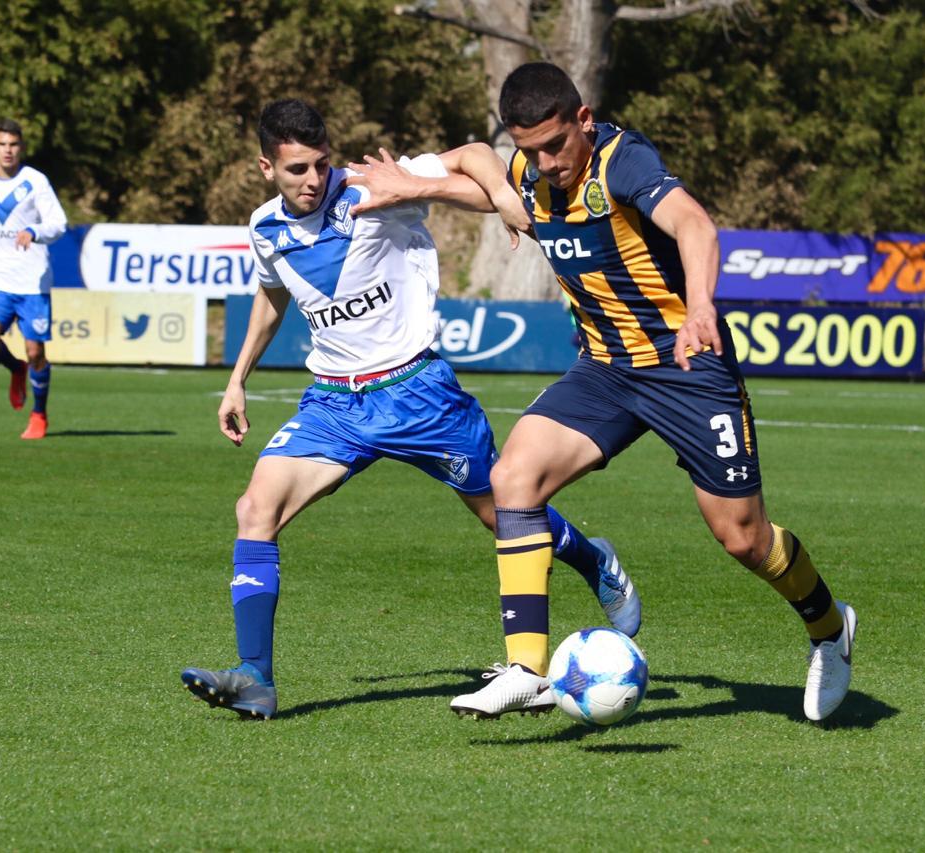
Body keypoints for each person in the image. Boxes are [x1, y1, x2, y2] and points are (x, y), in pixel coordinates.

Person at [349, 62, 856, 722]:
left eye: (556, 145)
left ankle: (828, 627)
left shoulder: (623, 159)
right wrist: (416, 183)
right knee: (514, 478)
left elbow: (695, 225)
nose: (547, 162)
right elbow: (480, 163)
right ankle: (527, 667)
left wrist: (701, 305)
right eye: (529, 151)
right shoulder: (528, 170)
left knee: (743, 538)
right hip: (605, 370)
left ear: (583, 121)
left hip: (687, 364)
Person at [180, 99, 640, 721]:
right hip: (335, 403)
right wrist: (237, 381)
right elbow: (271, 296)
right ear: (267, 168)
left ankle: (594, 558)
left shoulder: (373, 186)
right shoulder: (267, 229)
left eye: (319, 164)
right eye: (296, 171)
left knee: (505, 516)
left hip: (420, 395)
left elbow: (474, 155)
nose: (313, 181)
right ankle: (256, 678)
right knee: (255, 508)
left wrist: (507, 197)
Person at [0, 118, 68, 440]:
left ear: (20, 148)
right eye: (2, 145)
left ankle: (39, 414)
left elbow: (58, 222)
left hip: (32, 280)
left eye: (13, 145)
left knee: (36, 352)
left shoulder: (35, 181)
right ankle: (15, 368)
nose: (8, 151)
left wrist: (35, 231)